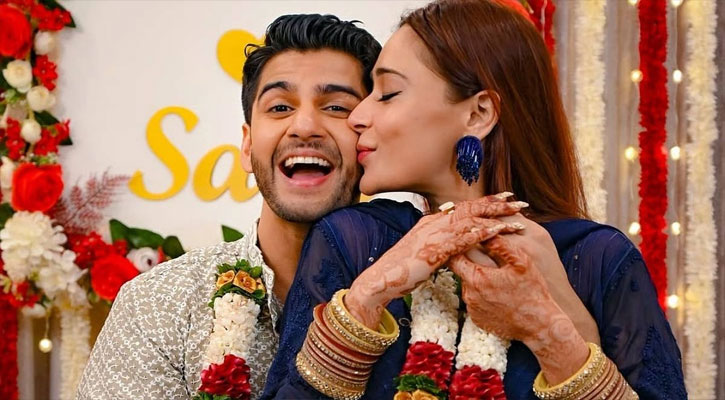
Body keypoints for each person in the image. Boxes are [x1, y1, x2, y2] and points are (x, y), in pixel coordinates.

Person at [261, 1, 686, 399]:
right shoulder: (352, 240)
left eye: (387, 93)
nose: (358, 116)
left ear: (478, 114)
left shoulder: (596, 258)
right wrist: (370, 295)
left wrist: (549, 329)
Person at [76, 14, 383, 399]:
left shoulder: (417, 298)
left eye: (336, 107)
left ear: (370, 139)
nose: (305, 126)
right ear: (247, 145)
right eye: (280, 108)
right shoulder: (159, 302)